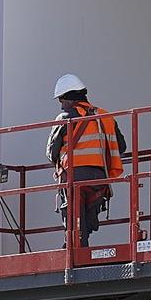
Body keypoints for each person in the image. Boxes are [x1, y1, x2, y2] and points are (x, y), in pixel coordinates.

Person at [46, 74, 125, 247]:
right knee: (87, 219)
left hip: (74, 178)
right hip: (99, 179)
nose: (61, 104)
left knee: (74, 219)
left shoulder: (65, 118)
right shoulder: (106, 116)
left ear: (70, 98)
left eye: (61, 99)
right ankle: (81, 248)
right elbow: (122, 146)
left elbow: (51, 153)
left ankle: (74, 251)